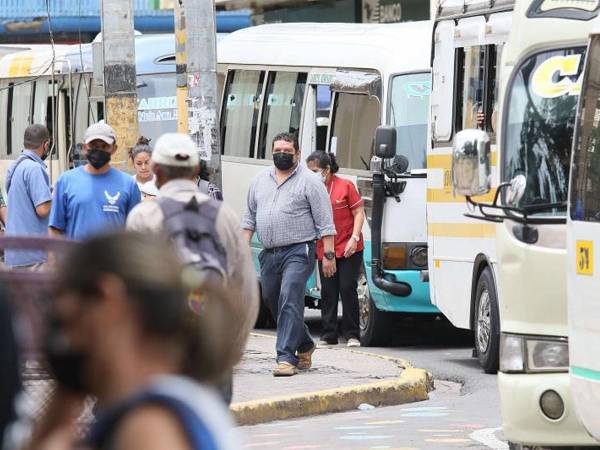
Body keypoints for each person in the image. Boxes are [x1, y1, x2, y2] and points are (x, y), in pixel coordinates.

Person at [24, 233, 241, 450]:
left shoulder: (149, 426)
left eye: (67, 320)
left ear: (107, 302)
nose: (64, 341)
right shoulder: (179, 400)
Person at [126, 133, 258, 364]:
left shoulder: (144, 215)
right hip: (211, 344)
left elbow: (130, 288)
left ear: (156, 169)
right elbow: (245, 288)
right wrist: (234, 345)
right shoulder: (224, 215)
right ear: (196, 169)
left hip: (161, 349)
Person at [242, 132, 336, 377]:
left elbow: (325, 222)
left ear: (297, 154)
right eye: (277, 151)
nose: (281, 155)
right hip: (269, 253)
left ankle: (285, 357)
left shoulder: (310, 182)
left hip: (299, 250)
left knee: (289, 297)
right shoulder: (259, 181)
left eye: (286, 151)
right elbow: (249, 218)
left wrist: (329, 255)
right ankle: (305, 343)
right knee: (273, 300)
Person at [306, 151, 365, 347]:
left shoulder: (345, 186)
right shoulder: (311, 189)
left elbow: (358, 212)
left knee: (347, 287)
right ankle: (328, 334)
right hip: (325, 247)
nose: (312, 174)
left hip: (349, 246)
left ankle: (352, 334)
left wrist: (354, 238)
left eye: (315, 171)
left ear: (327, 169)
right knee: (328, 291)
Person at [48, 122, 141, 240]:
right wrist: (54, 258)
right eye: (94, 146)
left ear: (114, 149)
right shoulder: (65, 181)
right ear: (85, 147)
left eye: (104, 146)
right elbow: (55, 229)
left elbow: (135, 232)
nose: (99, 150)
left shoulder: (128, 184)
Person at [4, 124, 52, 268]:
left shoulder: (16, 165)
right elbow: (42, 209)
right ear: (46, 144)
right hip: (32, 255)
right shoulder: (34, 169)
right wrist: (56, 197)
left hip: (14, 252)